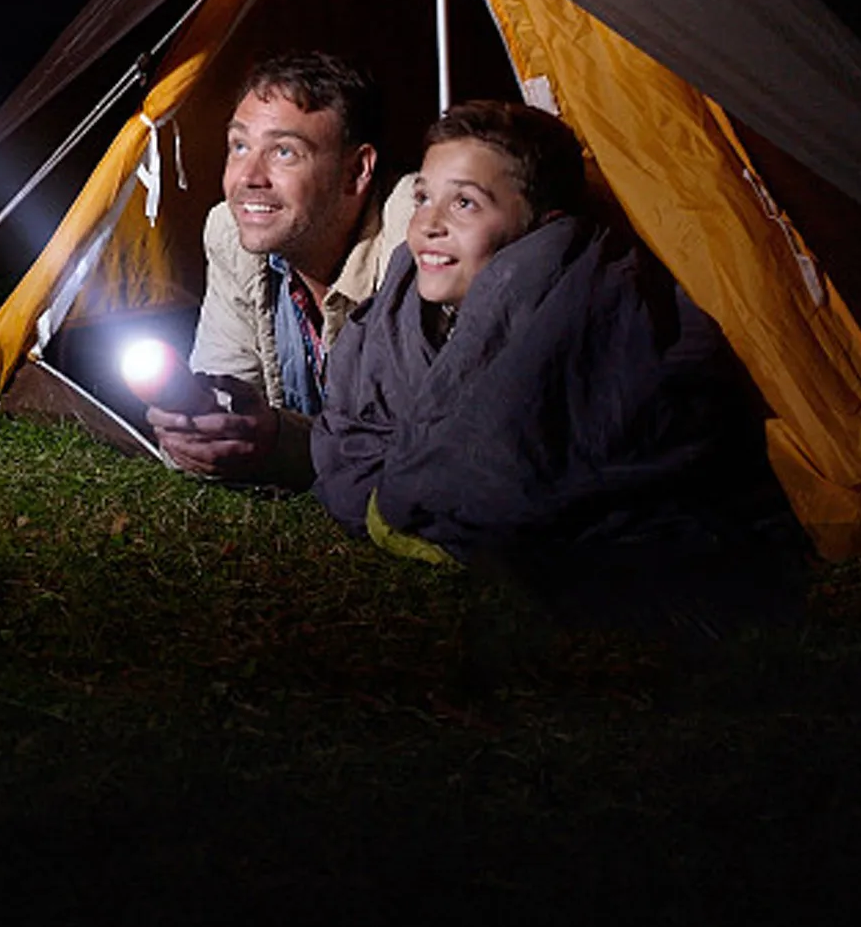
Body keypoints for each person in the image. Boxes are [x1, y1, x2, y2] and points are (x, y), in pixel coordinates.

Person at [313, 101, 801, 609]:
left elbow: (522, 461)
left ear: (543, 228)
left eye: (466, 204)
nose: (428, 224)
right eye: (423, 197)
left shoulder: (591, 310)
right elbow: (352, 432)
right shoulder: (402, 300)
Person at [146, 52, 415, 487]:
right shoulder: (231, 232)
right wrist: (196, 429)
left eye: (284, 152)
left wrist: (281, 444)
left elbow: (430, 446)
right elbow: (225, 387)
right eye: (239, 146)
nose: (249, 177)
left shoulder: (417, 238)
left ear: (356, 171)